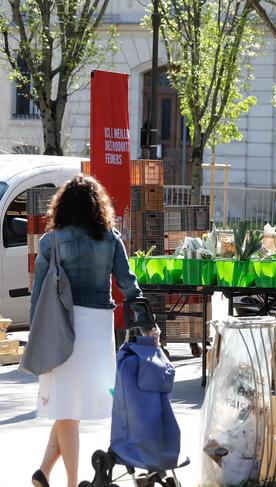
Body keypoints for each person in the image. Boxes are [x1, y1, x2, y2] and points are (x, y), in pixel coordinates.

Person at [30, 175, 142, 487]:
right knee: (70, 404)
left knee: (66, 407)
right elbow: (128, 283)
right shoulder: (110, 239)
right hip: (97, 329)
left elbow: (38, 295)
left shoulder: (51, 242)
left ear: (62, 207)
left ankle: (72, 482)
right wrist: (147, 319)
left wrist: (34, 338)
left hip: (61, 326)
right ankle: (43, 472)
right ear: (98, 207)